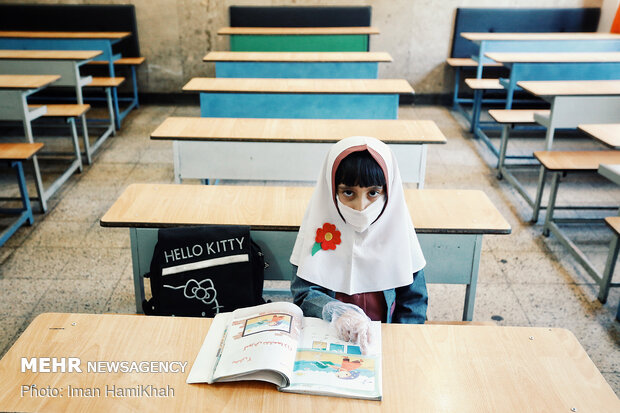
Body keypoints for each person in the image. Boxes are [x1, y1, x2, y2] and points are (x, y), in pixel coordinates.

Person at [290, 136, 428, 352]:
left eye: (373, 193)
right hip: (328, 338)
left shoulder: (397, 231)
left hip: (384, 342)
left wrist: (400, 346)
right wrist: (335, 311)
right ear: (332, 190)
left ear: (388, 190)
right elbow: (303, 293)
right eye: (348, 193)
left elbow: (414, 302)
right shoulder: (319, 229)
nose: (360, 206)